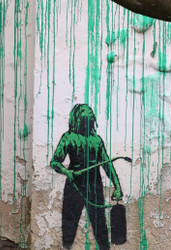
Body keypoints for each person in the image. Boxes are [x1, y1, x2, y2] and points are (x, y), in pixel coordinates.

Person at [50, 104, 122, 250]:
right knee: (69, 226)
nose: (88, 115)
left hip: (94, 187)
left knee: (100, 226)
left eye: (89, 114)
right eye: (84, 113)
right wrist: (67, 172)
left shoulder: (96, 140)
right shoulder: (68, 137)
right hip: (74, 186)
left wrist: (118, 187)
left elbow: (108, 165)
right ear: (77, 117)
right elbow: (55, 162)